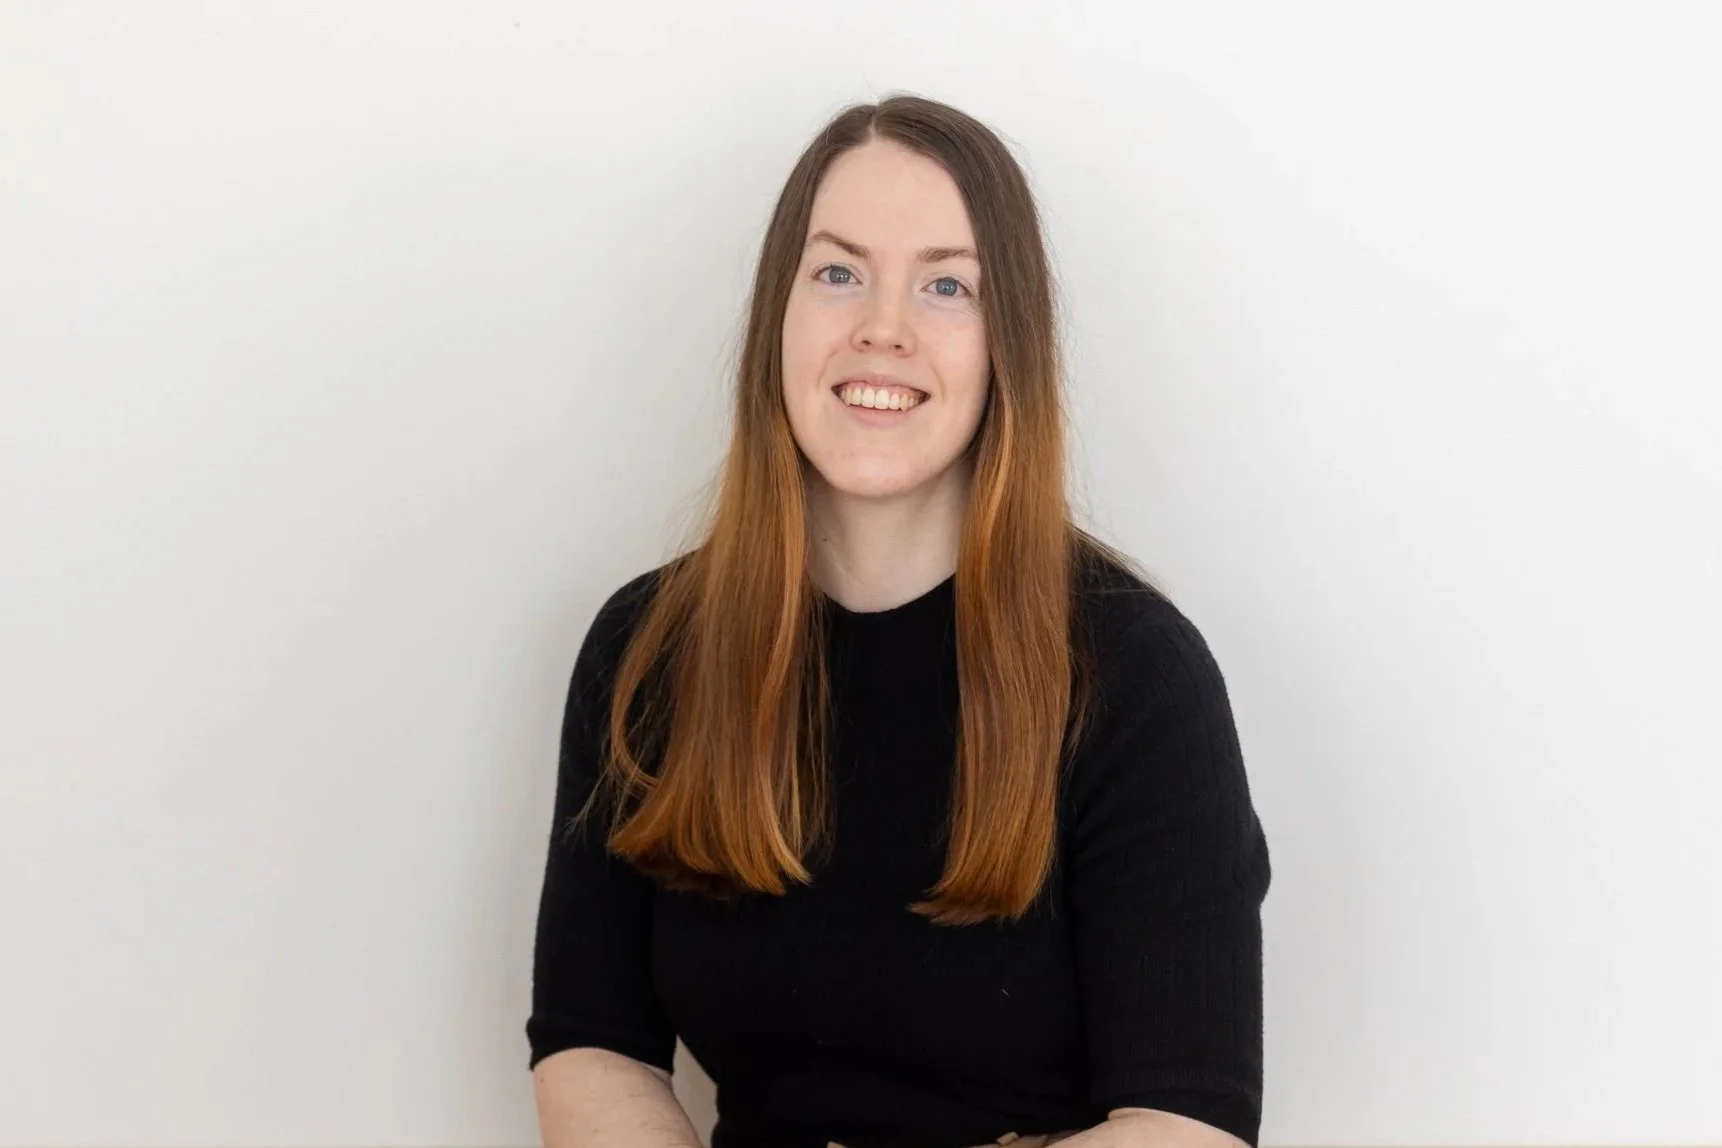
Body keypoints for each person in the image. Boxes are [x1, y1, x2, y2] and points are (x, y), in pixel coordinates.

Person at [526, 93, 1271, 1148]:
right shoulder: (647, 650)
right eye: (838, 273)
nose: (883, 326)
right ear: (777, 317)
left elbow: (1186, 1123)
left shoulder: (1138, 674)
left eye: (947, 284)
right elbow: (591, 1043)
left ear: (1008, 342)